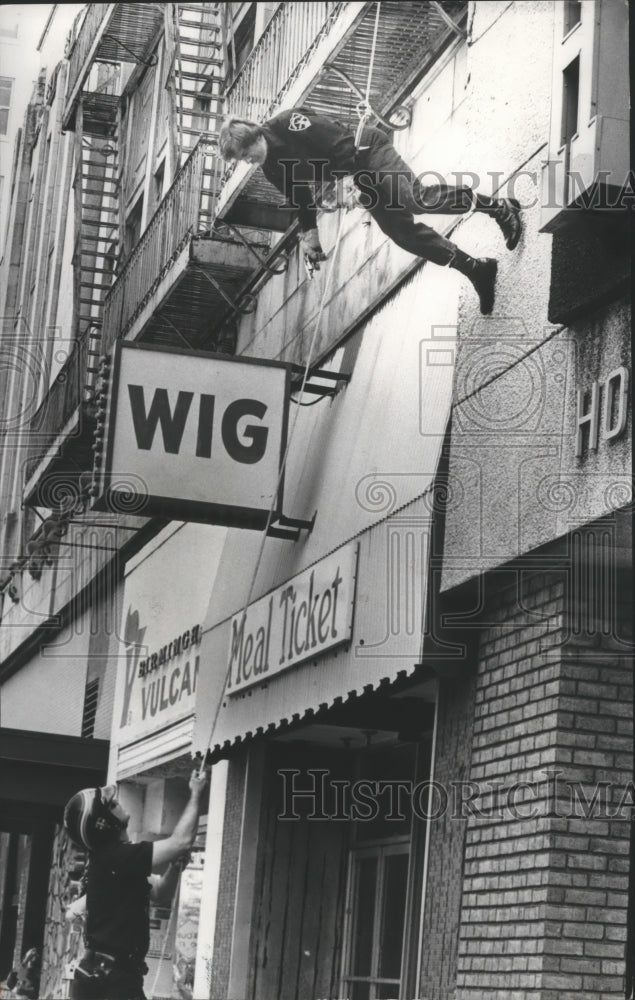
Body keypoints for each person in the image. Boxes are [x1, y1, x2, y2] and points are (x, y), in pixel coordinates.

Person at [218, 106, 523, 314]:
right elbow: (300, 198)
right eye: (242, 159)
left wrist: (350, 180)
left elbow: (338, 142)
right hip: (356, 177)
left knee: (417, 199)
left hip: (367, 154)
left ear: (252, 136)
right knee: (402, 234)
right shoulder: (270, 167)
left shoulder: (289, 122)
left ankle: (499, 207)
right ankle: (477, 269)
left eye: (245, 153)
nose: (247, 161)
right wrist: (310, 236)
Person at [63, 771, 207, 1000]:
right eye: (111, 804)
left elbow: (159, 893)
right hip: (110, 981)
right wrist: (196, 793)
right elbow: (181, 842)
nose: (117, 802)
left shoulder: (112, 861)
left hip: (108, 977)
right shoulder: (115, 857)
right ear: (103, 822)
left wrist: (174, 867)